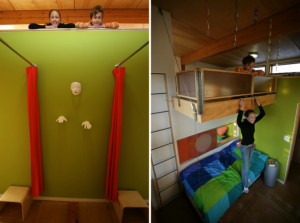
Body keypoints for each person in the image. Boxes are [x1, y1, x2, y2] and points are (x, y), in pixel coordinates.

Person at [237, 97, 265, 193]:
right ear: (246, 117)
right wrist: (242, 107)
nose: (253, 119)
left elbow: (263, 114)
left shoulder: (253, 122)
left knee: (247, 164)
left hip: (252, 146)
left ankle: (244, 177)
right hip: (244, 148)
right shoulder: (243, 124)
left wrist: (258, 103)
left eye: (254, 117)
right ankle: (245, 185)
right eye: (251, 117)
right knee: (245, 166)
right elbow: (238, 121)